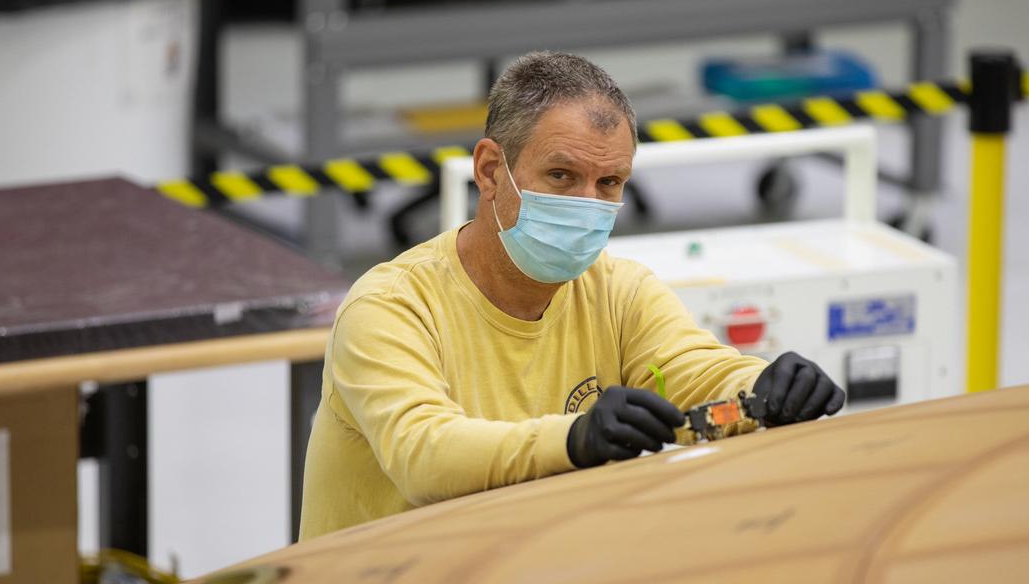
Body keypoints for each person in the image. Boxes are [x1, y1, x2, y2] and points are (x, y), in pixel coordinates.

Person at [299, 51, 843, 539]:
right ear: (490, 171)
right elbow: (425, 454)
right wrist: (576, 439)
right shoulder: (392, 307)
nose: (588, 204)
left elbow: (695, 374)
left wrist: (762, 388)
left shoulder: (620, 293)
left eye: (609, 184)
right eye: (562, 175)